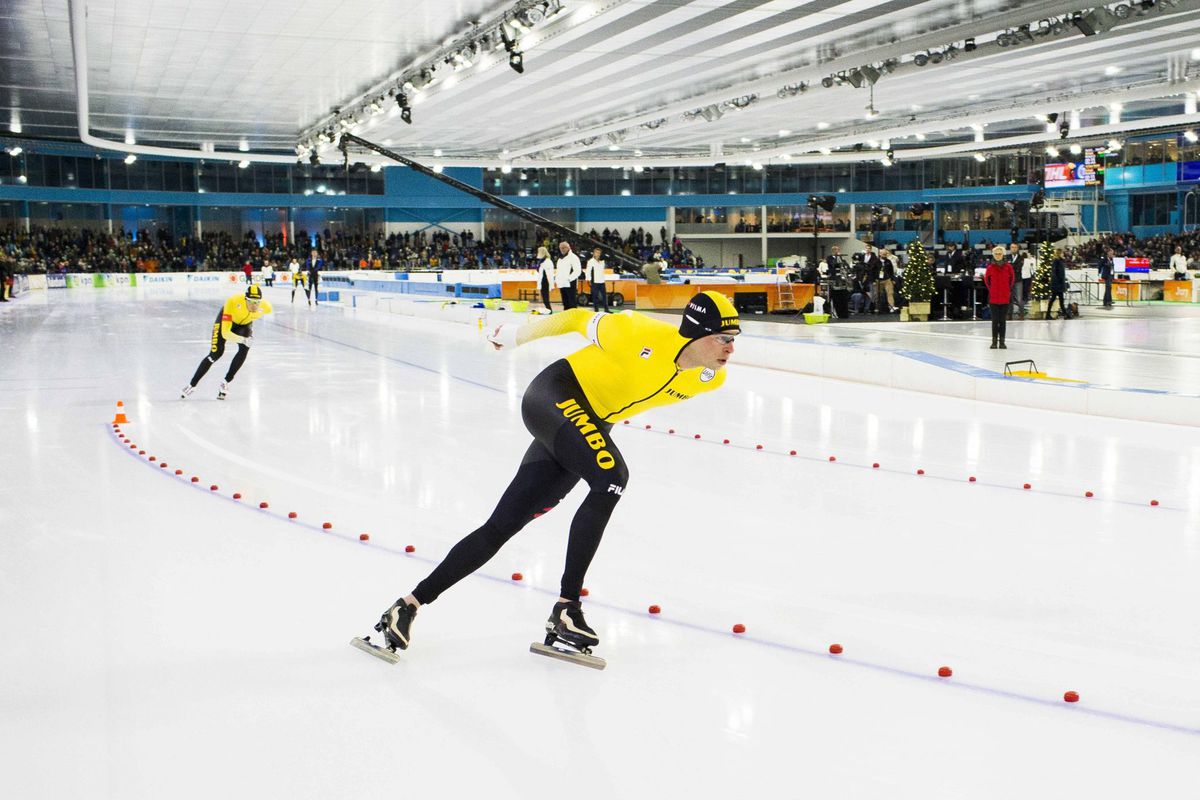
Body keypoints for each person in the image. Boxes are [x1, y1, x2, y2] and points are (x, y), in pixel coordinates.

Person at [367, 291, 742, 658]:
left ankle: (407, 605)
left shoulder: (709, 378)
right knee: (611, 478)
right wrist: (515, 336)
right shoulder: (636, 332)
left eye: (733, 340)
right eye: (723, 339)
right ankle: (568, 607)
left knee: (503, 524)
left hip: (585, 424)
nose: (730, 348)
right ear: (696, 332)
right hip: (555, 395)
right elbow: (575, 317)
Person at [181, 284, 273, 400]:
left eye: (257, 302)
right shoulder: (233, 301)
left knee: (244, 349)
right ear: (245, 299)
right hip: (227, 322)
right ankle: (192, 385)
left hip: (244, 325)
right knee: (216, 353)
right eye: (250, 302)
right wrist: (243, 339)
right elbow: (225, 333)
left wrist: (246, 339)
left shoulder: (266, 307)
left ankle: (226, 381)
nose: (254, 305)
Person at [984, 245, 1014, 349]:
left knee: (1003, 321)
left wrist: (1006, 289)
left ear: (1003, 254)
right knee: (995, 321)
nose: (998, 255)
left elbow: (1012, 279)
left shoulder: (1008, 267)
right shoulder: (990, 268)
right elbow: (987, 281)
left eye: (1000, 253)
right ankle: (994, 341)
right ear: (993, 255)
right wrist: (992, 289)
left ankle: (1002, 341)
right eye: (996, 254)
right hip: (993, 298)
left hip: (1005, 297)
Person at [555, 240, 582, 310]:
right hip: (562, 284)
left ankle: (574, 318)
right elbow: (559, 271)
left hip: (570, 284)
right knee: (565, 303)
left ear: (568, 247)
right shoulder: (560, 259)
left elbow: (577, 271)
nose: (562, 249)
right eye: (561, 248)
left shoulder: (573, 257)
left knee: (572, 303)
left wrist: (569, 279)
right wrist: (557, 279)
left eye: (564, 247)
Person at [585, 247, 609, 312]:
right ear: (594, 253)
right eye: (597, 252)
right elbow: (588, 271)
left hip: (602, 281)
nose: (598, 254)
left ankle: (606, 309)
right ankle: (596, 310)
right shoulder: (590, 261)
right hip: (594, 282)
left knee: (604, 296)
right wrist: (589, 280)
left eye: (599, 253)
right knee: (595, 297)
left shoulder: (602, 262)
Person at [1008, 243, 1027, 319]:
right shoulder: (1007, 257)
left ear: (1018, 248)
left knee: (1019, 299)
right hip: (1009, 281)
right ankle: (1010, 315)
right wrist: (1012, 267)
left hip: (1018, 280)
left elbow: (1018, 268)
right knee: (1009, 298)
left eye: (1015, 247)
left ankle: (1021, 314)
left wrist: (1011, 266)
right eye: (1012, 247)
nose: (1014, 249)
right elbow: (1007, 267)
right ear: (1010, 248)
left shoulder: (1021, 258)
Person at [1047, 250, 1068, 320]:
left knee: (1059, 300)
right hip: (1057, 285)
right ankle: (1065, 314)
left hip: (1059, 284)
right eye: (1062, 253)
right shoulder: (1057, 261)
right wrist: (1058, 282)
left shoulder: (1060, 261)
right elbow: (1055, 273)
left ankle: (1065, 314)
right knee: (1054, 299)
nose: (1063, 254)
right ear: (1059, 254)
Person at [876, 248, 896, 313]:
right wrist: (873, 280)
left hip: (887, 279)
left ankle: (891, 307)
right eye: (883, 254)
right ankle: (878, 308)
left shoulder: (888, 261)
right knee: (878, 294)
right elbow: (872, 271)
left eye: (885, 254)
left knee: (890, 293)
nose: (884, 255)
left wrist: (892, 279)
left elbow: (891, 271)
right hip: (878, 280)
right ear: (880, 254)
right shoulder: (876, 261)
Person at [535, 246, 554, 312]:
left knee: (545, 296)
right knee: (544, 296)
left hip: (546, 281)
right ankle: (548, 309)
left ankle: (549, 309)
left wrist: (552, 285)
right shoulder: (541, 261)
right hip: (543, 280)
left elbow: (550, 274)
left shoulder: (548, 261)